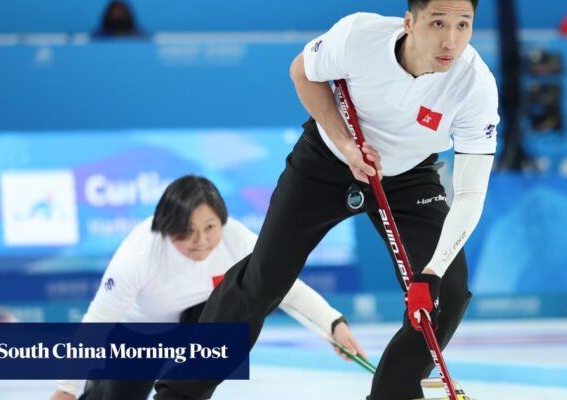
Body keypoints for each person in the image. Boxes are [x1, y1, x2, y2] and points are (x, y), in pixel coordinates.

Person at [155, 0, 499, 399]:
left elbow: (472, 193)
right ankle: (177, 394)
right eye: (438, 22)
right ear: (410, 22)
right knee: (263, 281)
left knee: (446, 295)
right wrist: (347, 144)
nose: (450, 39)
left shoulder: (475, 85)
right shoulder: (358, 37)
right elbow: (302, 72)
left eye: (463, 25)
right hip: (327, 159)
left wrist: (432, 273)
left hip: (409, 176)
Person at [49, 175, 365, 400]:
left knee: (239, 302)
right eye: (187, 231)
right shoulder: (139, 256)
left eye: (210, 227)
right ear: (165, 225)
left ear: (222, 221)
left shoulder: (236, 238)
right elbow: (97, 323)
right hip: (138, 335)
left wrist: (334, 323)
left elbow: (286, 288)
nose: (201, 241)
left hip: (196, 324)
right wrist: (66, 387)